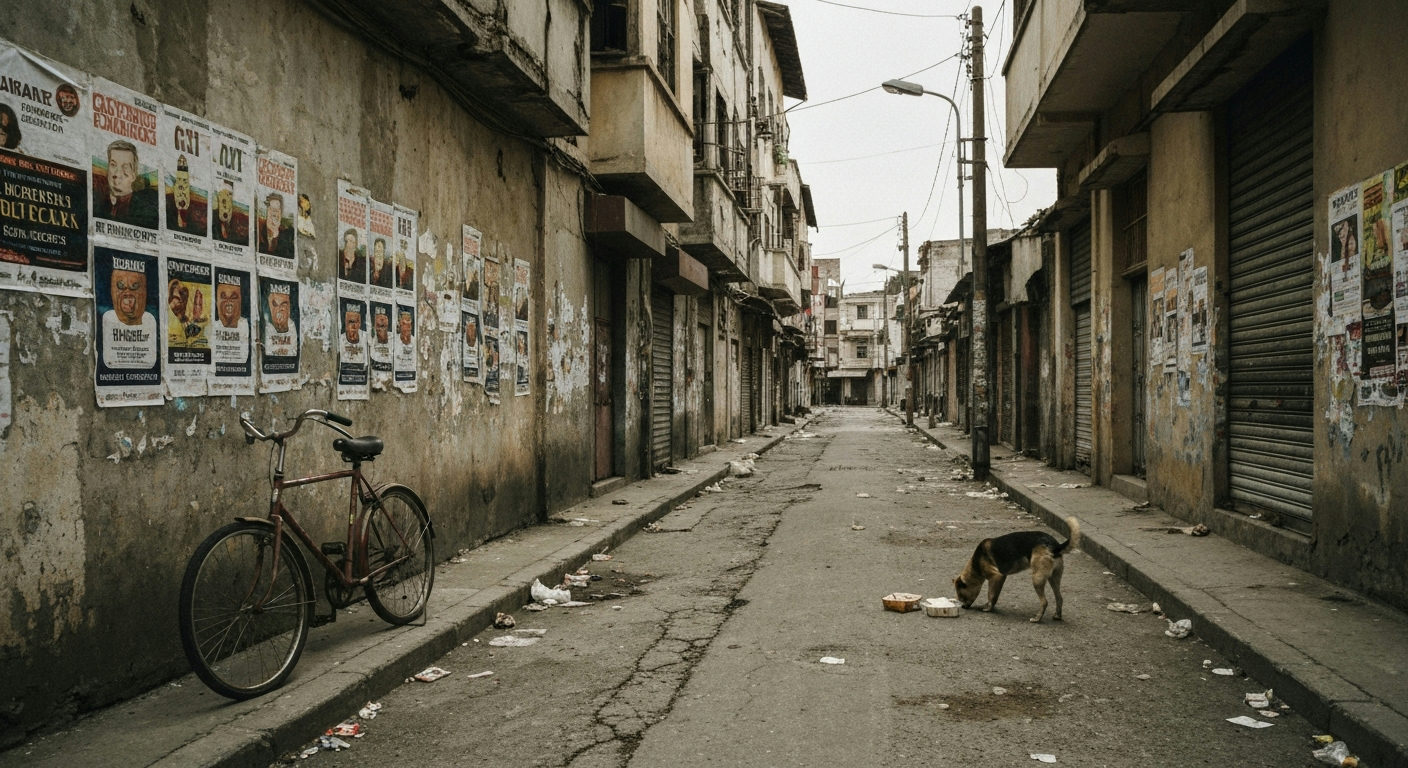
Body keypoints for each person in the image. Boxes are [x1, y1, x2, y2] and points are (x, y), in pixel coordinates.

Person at [101, 260, 157, 369]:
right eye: (120, 286)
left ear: (144, 292)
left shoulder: (151, 321)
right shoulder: (106, 320)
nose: (127, 293)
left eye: (135, 286)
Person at [96, 139, 159, 228]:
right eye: (113, 165)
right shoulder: (100, 203)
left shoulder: (144, 210)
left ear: (133, 175)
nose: (117, 174)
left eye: (125, 167)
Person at [212, 276, 250, 364]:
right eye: (223, 297)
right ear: (216, 301)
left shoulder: (245, 325)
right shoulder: (211, 327)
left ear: (241, 302)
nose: (228, 302)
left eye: (233, 297)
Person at [166, 155, 206, 236]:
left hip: (180, 186)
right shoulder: (185, 205)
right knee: (183, 176)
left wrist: (178, 188)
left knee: (180, 176)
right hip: (184, 185)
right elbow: (186, 195)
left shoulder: (178, 206)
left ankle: (181, 164)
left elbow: (176, 195)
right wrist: (182, 190)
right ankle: (183, 163)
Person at [257, 192, 295, 259]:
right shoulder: (258, 230)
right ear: (267, 211)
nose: (274, 214)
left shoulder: (286, 237)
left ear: (281, 214)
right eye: (271, 209)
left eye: (277, 210)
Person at [264, 285, 298, 358]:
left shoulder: (292, 326)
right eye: (275, 305)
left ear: (289, 309)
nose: (279, 309)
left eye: (283, 305)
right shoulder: (267, 327)